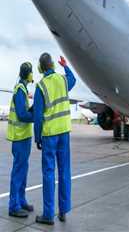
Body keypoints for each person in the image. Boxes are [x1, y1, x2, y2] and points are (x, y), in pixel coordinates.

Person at [34, 53, 76, 225]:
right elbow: (73, 79)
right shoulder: (62, 80)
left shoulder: (41, 86)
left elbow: (37, 116)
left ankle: (48, 214)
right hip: (64, 133)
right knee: (64, 171)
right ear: (53, 65)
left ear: (41, 68)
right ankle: (64, 211)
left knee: (48, 174)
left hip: (50, 135)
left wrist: (38, 137)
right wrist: (65, 66)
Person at [7, 62, 34, 218]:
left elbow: (24, 111)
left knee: (23, 170)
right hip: (19, 137)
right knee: (18, 171)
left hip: (25, 136)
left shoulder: (23, 89)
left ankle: (22, 200)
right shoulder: (19, 90)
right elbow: (22, 115)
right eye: (31, 73)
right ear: (28, 74)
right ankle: (13, 206)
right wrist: (36, 117)